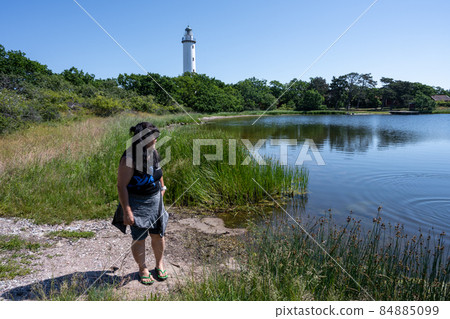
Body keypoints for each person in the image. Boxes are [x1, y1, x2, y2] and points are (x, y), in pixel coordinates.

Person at [113, 122, 169, 285]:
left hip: (155, 201)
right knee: (139, 237)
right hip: (137, 203)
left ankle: (159, 264)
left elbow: (159, 172)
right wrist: (127, 211)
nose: (156, 140)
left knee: (158, 235)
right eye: (153, 137)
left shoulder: (154, 151)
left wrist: (162, 188)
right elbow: (121, 185)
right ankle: (142, 268)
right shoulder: (129, 158)